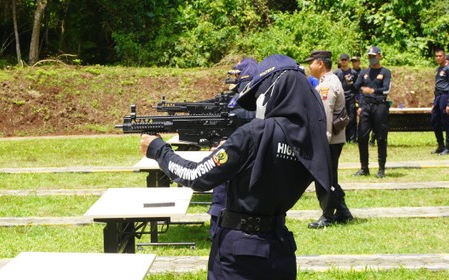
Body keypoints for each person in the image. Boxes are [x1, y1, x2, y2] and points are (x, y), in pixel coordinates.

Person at [140, 54, 332, 280]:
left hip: (239, 255)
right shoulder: (310, 142)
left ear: (273, 90)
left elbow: (196, 176)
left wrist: (158, 150)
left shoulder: (253, 135)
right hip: (280, 250)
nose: (259, 100)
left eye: (261, 92)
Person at [207, 58, 257, 239]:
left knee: (222, 195)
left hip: (236, 157)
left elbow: (238, 117)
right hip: (239, 154)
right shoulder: (245, 96)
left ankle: (218, 232)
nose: (234, 78)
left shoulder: (245, 98)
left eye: (237, 74)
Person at [305, 50, 354, 229]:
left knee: (323, 179)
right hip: (332, 139)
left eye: (311, 62)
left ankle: (327, 216)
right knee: (330, 177)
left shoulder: (327, 85)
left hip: (329, 140)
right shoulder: (326, 82)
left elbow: (325, 115)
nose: (309, 66)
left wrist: (322, 141)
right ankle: (342, 211)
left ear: (320, 64)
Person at [353, 46, 392, 178]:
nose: (371, 58)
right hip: (366, 106)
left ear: (379, 56)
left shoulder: (385, 72)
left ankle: (381, 169)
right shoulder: (364, 72)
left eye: (373, 56)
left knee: (381, 138)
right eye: (369, 56)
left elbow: (386, 89)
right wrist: (348, 82)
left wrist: (373, 91)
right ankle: (364, 168)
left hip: (380, 106)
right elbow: (355, 87)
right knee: (362, 137)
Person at [430, 48, 449, 155]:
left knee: (447, 122)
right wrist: (434, 101)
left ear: (444, 56)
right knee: (434, 120)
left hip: (445, 96)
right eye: (436, 56)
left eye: (440, 56)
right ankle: (440, 145)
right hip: (438, 97)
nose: (438, 58)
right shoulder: (438, 69)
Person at [335, 53, 359, 143]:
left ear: (348, 61)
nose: (344, 62)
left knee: (352, 118)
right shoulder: (336, 73)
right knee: (340, 118)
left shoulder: (353, 73)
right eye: (342, 60)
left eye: (345, 60)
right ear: (340, 61)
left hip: (351, 97)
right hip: (340, 98)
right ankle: (342, 138)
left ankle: (352, 139)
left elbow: (356, 88)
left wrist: (351, 83)